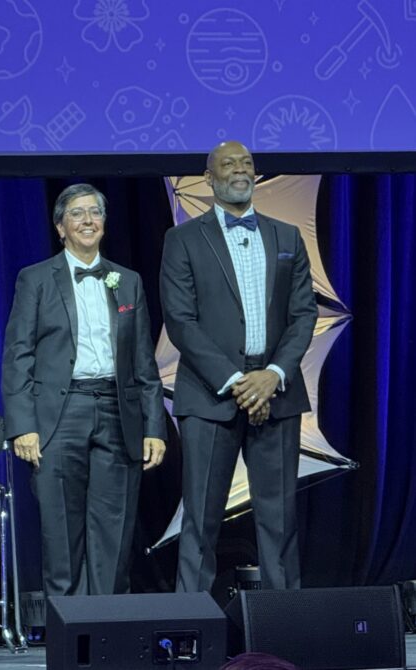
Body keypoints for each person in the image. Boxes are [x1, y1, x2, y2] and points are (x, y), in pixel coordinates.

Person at [160, 140, 317, 594]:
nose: (239, 170)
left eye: (246, 163)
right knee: (201, 519)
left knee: (280, 519)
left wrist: (272, 376)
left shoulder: (286, 235)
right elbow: (180, 320)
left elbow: (304, 313)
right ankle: (192, 632)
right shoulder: (183, 238)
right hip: (210, 396)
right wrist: (237, 382)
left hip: (278, 392)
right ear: (209, 177)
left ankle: (285, 625)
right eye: (228, 164)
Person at [2, 183, 167, 597]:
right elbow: (17, 355)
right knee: (60, 532)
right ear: (60, 227)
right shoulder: (36, 279)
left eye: (95, 212)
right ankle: (67, 639)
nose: (88, 220)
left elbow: (144, 360)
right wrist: (22, 426)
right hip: (60, 413)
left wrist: (154, 426)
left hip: (117, 410)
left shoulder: (126, 281)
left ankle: (108, 634)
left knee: (113, 532)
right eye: (77, 213)